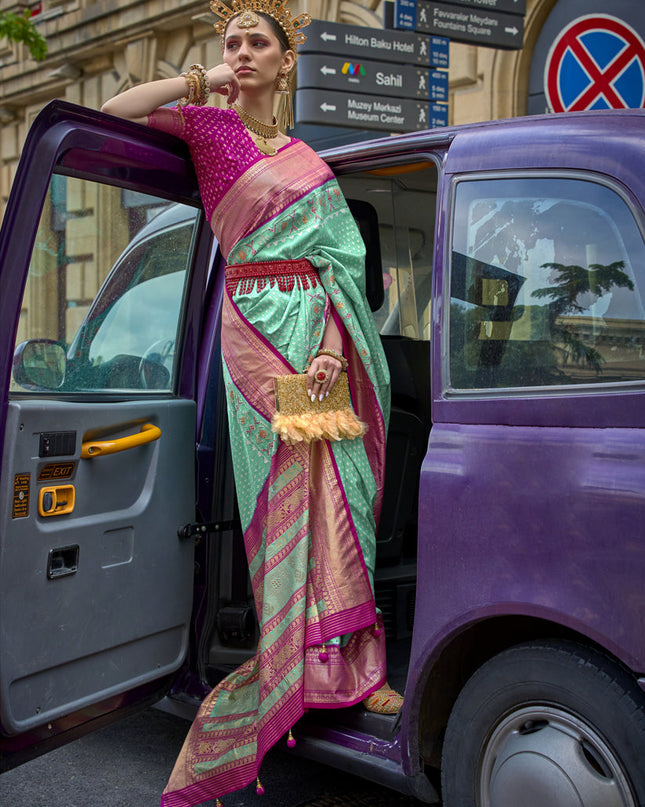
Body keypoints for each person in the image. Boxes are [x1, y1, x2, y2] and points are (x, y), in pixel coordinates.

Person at [101, 2, 400, 804]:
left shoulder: (307, 159)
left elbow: (340, 263)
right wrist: (198, 79)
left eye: (254, 42)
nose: (239, 51)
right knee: (282, 500)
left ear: (284, 61)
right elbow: (109, 113)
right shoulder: (204, 127)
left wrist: (336, 344)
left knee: (342, 492)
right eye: (230, 40)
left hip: (319, 334)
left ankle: (354, 665)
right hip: (253, 334)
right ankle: (291, 659)